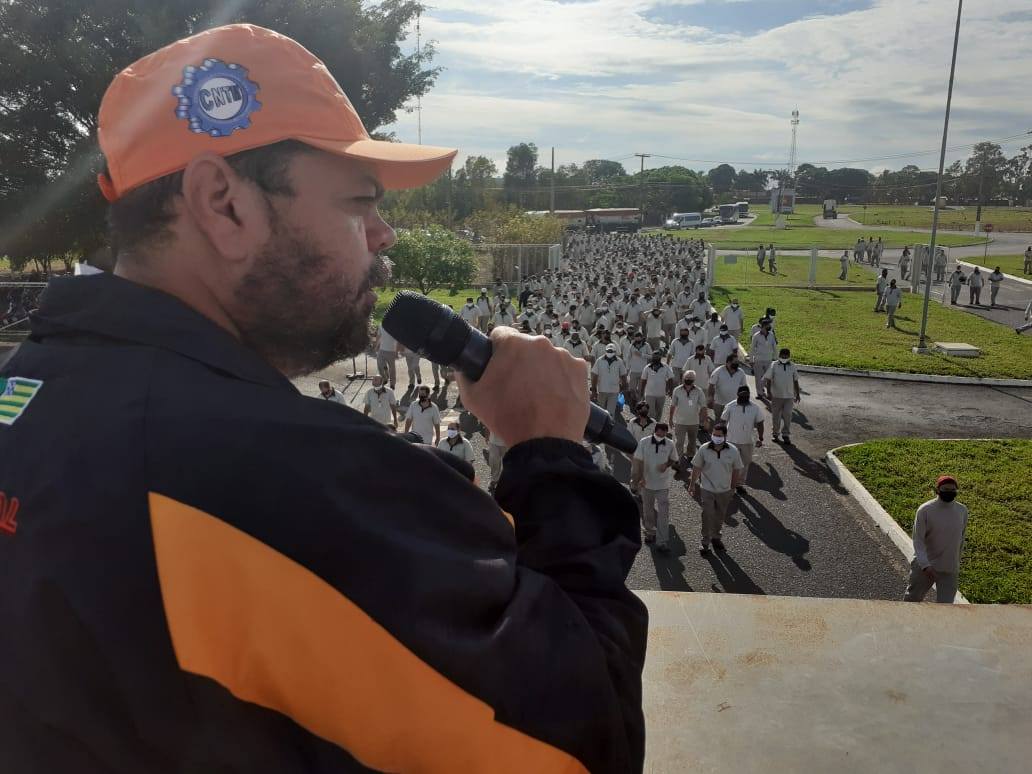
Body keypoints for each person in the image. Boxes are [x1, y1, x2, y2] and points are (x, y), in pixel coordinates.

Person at [0, 23, 647, 773]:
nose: (384, 234)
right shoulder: (282, 477)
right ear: (223, 203)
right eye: (358, 201)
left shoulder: (29, 389)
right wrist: (549, 456)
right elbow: (582, 742)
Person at [903, 476, 968, 604]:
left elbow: (961, 539)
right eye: (945, 489)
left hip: (949, 568)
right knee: (912, 600)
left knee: (946, 607)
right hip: (925, 567)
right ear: (937, 490)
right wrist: (925, 565)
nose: (949, 492)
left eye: (952, 489)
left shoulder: (962, 511)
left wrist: (956, 564)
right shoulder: (925, 510)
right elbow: (918, 540)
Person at [689, 421, 744, 556]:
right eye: (714, 434)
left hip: (725, 490)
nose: (715, 437)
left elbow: (737, 470)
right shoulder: (704, 448)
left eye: (719, 435)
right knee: (707, 514)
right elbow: (696, 467)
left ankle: (716, 537)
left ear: (725, 436)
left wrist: (733, 487)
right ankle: (705, 542)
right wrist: (692, 484)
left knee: (720, 516)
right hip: (707, 489)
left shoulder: (733, 450)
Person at [631, 422, 678, 553]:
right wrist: (639, 478)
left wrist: (667, 465)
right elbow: (638, 461)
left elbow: (673, 459)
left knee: (663, 513)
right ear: (654, 432)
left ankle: (662, 542)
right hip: (647, 483)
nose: (660, 436)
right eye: (658, 433)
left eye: (663, 434)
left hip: (663, 484)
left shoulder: (670, 444)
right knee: (648, 510)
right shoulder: (644, 442)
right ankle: (650, 531)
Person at [720, 385, 763, 493]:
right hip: (731, 440)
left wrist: (761, 437)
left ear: (749, 396)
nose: (743, 398)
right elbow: (723, 421)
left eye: (746, 396)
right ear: (737, 395)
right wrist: (721, 436)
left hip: (747, 441)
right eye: (741, 396)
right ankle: (728, 484)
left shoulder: (755, 407)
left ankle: (739, 484)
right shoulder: (730, 406)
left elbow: (760, 422)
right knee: (729, 463)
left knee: (745, 464)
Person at [763, 349, 801, 445]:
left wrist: (797, 394)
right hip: (776, 396)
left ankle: (786, 434)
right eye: (782, 356)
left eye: (786, 357)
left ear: (789, 356)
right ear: (779, 356)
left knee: (787, 415)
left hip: (789, 396)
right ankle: (775, 433)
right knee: (776, 416)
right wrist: (768, 392)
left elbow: (795, 380)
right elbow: (769, 379)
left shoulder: (792, 366)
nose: (784, 358)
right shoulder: (774, 365)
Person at [668, 370, 707, 462]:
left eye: (690, 378)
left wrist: (705, 420)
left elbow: (703, 406)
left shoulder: (699, 391)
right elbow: (672, 405)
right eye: (687, 378)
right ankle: (678, 459)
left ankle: (690, 455)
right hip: (680, 421)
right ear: (683, 378)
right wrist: (670, 418)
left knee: (692, 441)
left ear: (694, 380)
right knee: (679, 442)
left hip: (694, 422)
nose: (688, 380)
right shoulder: (677, 390)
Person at [591, 343, 628, 419]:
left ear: (615, 352)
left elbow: (623, 375)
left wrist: (624, 387)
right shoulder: (599, 360)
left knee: (611, 413)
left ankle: (609, 427)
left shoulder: (619, 361)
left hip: (614, 391)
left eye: (611, 351)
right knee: (600, 411)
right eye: (608, 351)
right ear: (605, 351)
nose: (610, 353)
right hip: (602, 390)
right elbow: (594, 375)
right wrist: (594, 389)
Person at [640, 351, 675, 421]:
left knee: (659, 412)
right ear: (652, 358)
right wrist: (641, 392)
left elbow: (671, 378)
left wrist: (671, 391)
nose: (656, 358)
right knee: (651, 413)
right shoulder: (647, 368)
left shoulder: (666, 367)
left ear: (660, 358)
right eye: (654, 357)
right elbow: (643, 380)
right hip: (649, 394)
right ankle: (651, 427)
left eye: (657, 357)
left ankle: (657, 427)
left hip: (661, 394)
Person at [748, 320, 776, 400]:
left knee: (768, 377)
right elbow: (752, 348)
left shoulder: (771, 335)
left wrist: (776, 358)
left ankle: (768, 392)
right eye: (768, 325)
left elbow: (774, 346)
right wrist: (751, 360)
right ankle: (759, 393)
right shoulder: (756, 336)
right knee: (758, 377)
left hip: (768, 359)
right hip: (758, 359)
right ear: (763, 326)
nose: (769, 327)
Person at [375, 322, 398, 389]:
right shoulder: (381, 325)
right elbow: (379, 336)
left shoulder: (394, 326)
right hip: (382, 350)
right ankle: (384, 378)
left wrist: (396, 351)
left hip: (391, 351)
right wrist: (376, 346)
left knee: (392, 369)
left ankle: (392, 384)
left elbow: (397, 339)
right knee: (379, 365)